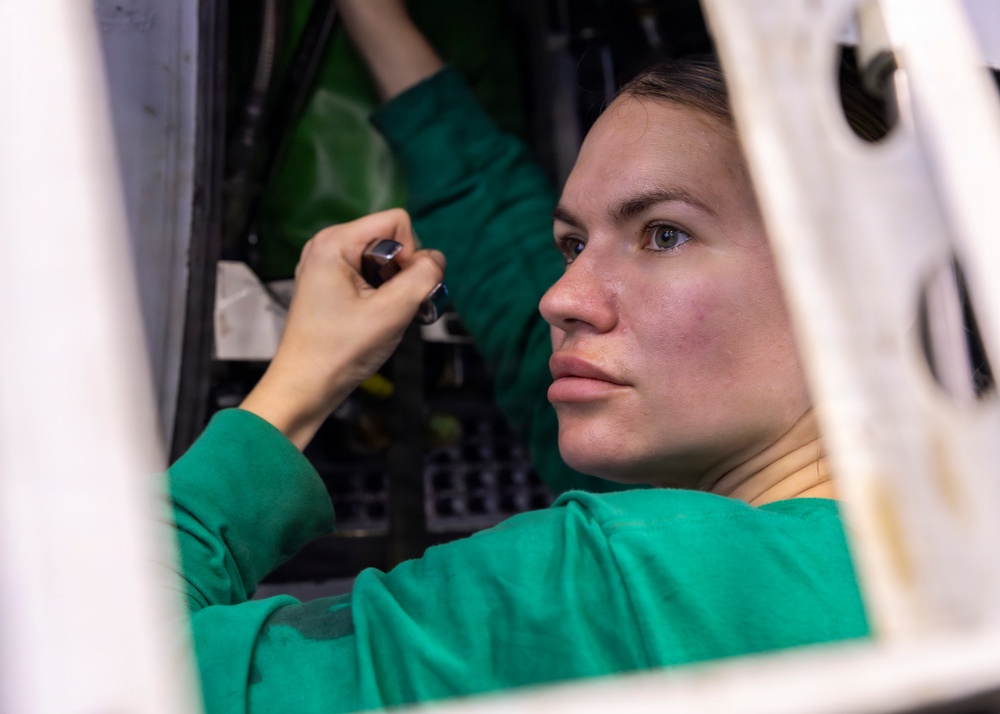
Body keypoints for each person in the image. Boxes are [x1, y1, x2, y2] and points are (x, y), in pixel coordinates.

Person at [171, 10, 886, 713]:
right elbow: (505, 248)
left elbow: (97, 668)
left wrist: (289, 394)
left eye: (664, 234)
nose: (561, 298)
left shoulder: (614, 585)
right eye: (573, 245)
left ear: (855, 279)